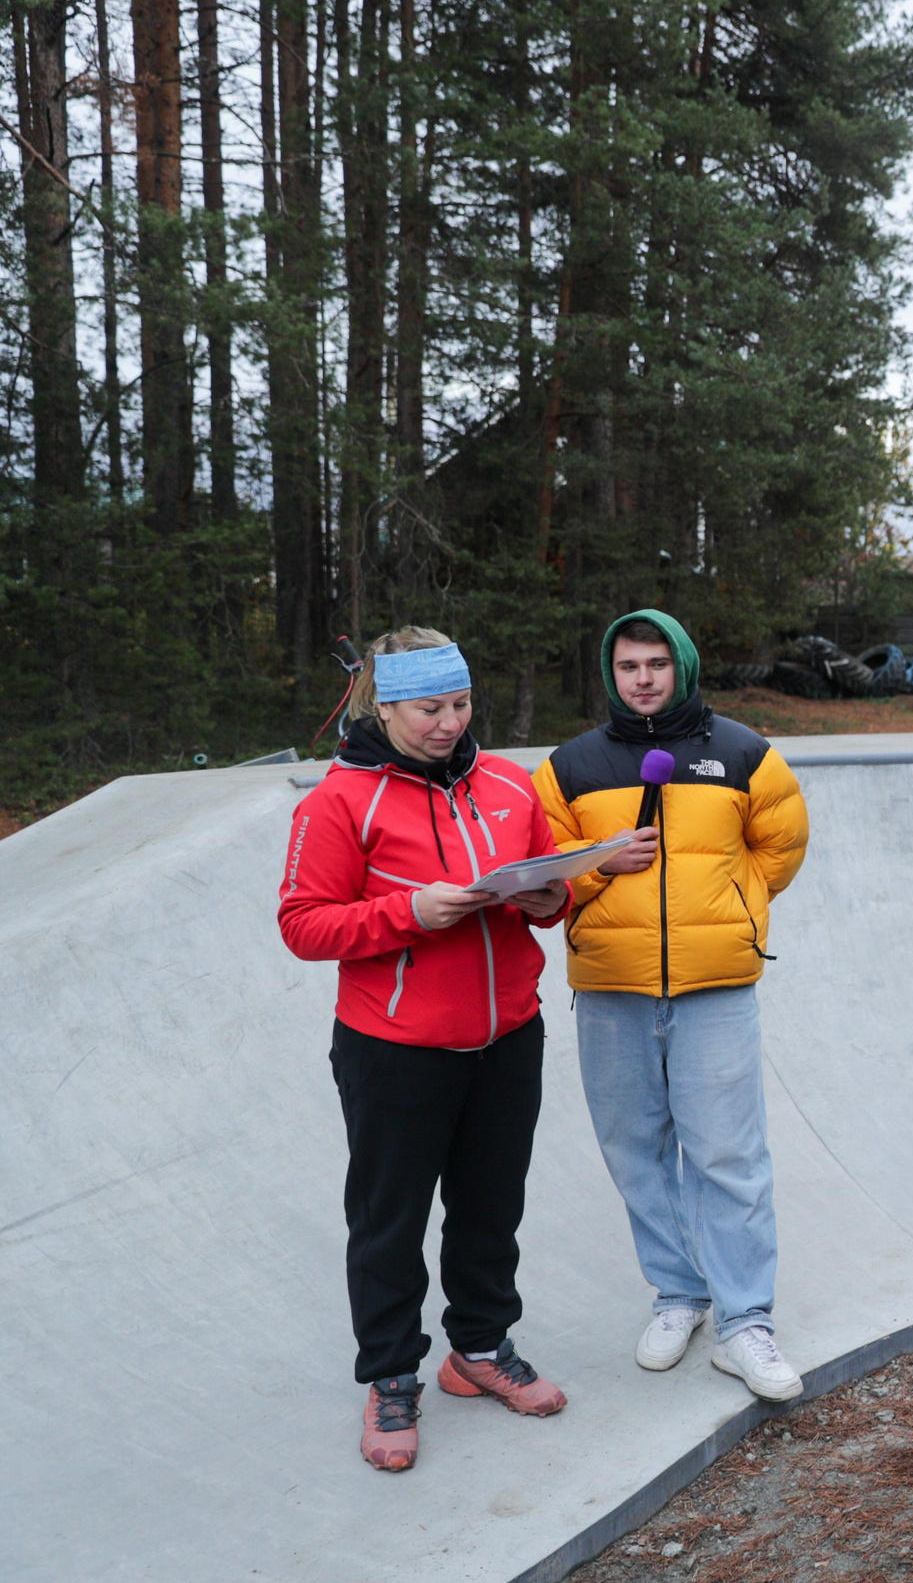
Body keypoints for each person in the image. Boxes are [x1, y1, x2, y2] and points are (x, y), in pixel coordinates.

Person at [277, 629, 574, 1473]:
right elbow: (303, 923)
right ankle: (391, 1375)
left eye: (461, 703)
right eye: (428, 709)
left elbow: (547, 892)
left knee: (491, 1205)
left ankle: (477, 1349)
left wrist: (552, 895)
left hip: (509, 1034)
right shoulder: (340, 801)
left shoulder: (512, 784)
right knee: (389, 1220)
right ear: (384, 704)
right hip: (394, 1048)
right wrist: (411, 913)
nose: (450, 723)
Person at [535, 611, 811, 1401]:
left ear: (682, 666)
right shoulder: (571, 766)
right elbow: (546, 870)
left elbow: (781, 843)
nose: (644, 678)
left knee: (728, 1154)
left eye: (658, 662)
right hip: (612, 987)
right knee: (637, 1150)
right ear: (610, 674)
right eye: (628, 666)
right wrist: (602, 867)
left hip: (714, 985)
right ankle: (680, 1293)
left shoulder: (742, 752)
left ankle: (744, 1321)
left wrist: (738, 901)